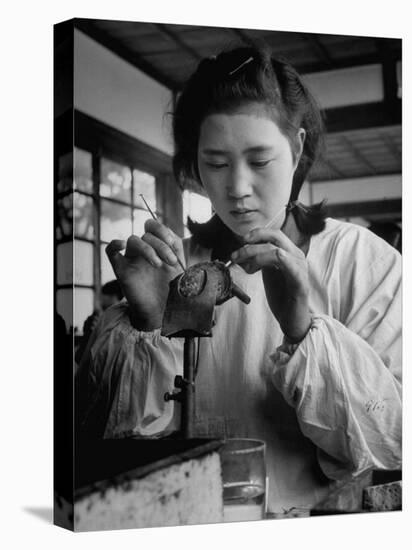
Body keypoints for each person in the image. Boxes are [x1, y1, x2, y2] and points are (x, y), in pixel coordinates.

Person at [76, 46, 402, 514]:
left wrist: (301, 330)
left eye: (260, 160)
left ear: (296, 147)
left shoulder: (362, 261)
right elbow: (104, 448)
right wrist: (148, 322)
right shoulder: (175, 269)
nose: (238, 188)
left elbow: (393, 445)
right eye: (216, 162)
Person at [74, 279, 123, 365]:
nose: (100, 300)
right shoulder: (95, 318)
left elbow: (80, 357)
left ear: (112, 296)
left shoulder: (100, 319)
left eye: (102, 295)